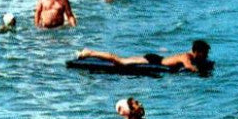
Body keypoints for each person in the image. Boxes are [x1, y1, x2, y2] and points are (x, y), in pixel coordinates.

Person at [76, 40, 212, 74]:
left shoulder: (192, 56)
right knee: (120, 61)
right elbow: (189, 67)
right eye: (205, 52)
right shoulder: (186, 57)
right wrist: (200, 71)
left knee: (121, 60)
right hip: (153, 60)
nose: (206, 55)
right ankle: (90, 53)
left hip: (157, 59)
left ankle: (90, 52)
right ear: (198, 52)